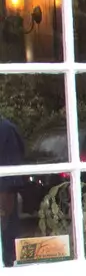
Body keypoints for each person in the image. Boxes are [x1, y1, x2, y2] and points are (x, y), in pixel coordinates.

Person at [0, 114, 25, 267]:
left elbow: (12, 162)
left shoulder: (6, 129)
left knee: (6, 226)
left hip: (5, 188)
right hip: (6, 185)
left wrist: (6, 191)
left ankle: (8, 259)